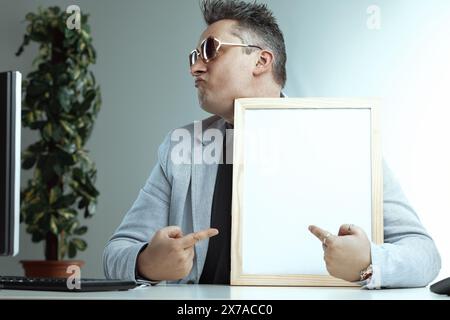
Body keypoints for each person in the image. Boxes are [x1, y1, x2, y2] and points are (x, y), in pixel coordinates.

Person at [103, 0, 441, 288]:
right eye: (194, 55)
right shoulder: (181, 149)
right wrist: (145, 263)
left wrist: (368, 263)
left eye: (209, 50)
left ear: (261, 61)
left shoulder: (344, 138)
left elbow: (425, 255)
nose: (195, 67)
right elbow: (117, 252)